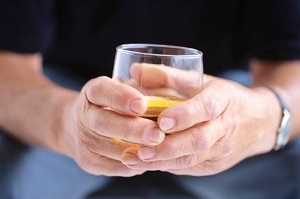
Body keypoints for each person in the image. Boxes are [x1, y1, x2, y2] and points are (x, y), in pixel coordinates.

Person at [0, 0, 300, 198]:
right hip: (63, 92)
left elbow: (290, 68)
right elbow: (8, 67)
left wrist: (263, 118)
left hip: (223, 91)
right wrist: (65, 125)